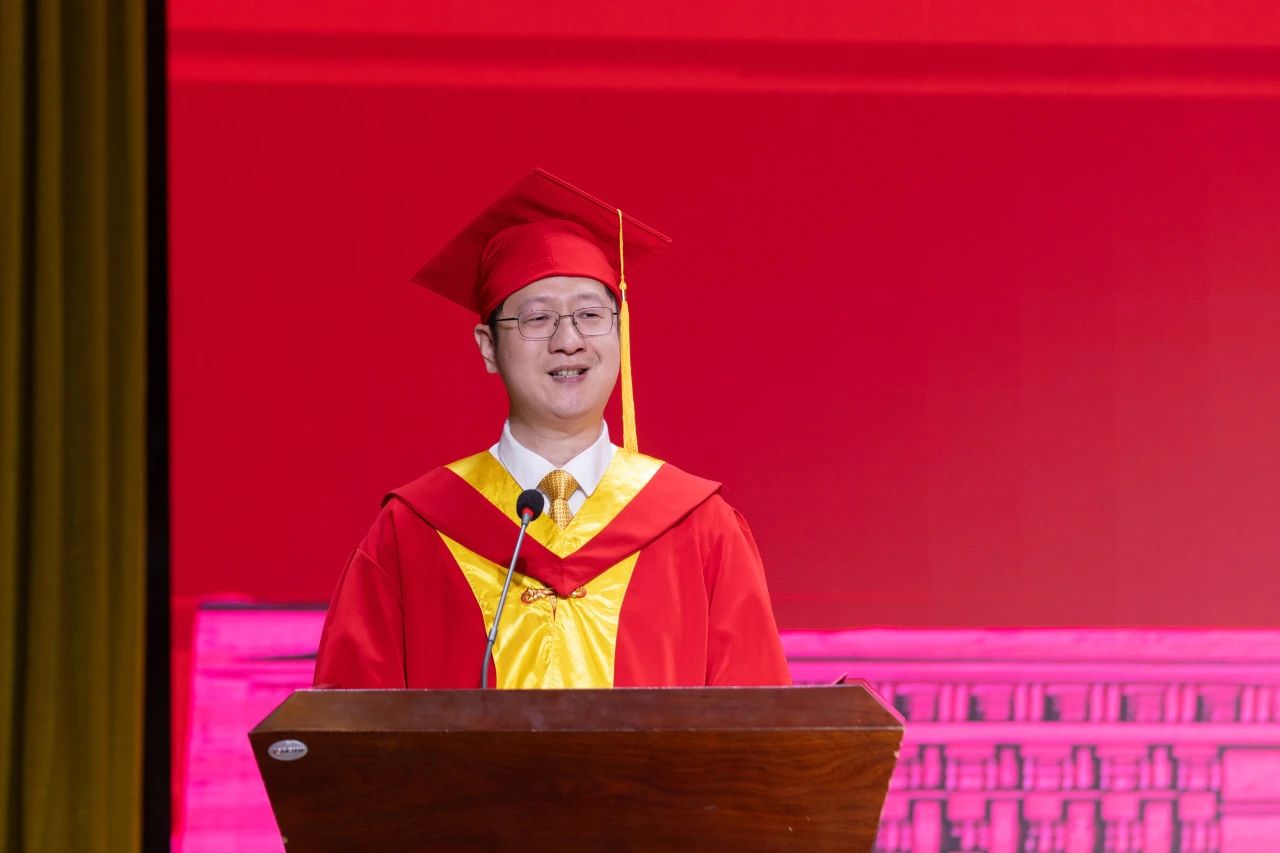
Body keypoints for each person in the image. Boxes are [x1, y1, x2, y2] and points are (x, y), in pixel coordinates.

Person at [313, 169, 790, 689]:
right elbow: (350, 721)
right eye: (537, 319)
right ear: (488, 347)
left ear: (620, 331)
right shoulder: (411, 533)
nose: (569, 341)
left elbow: (758, 720)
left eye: (590, 315)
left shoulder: (700, 528)